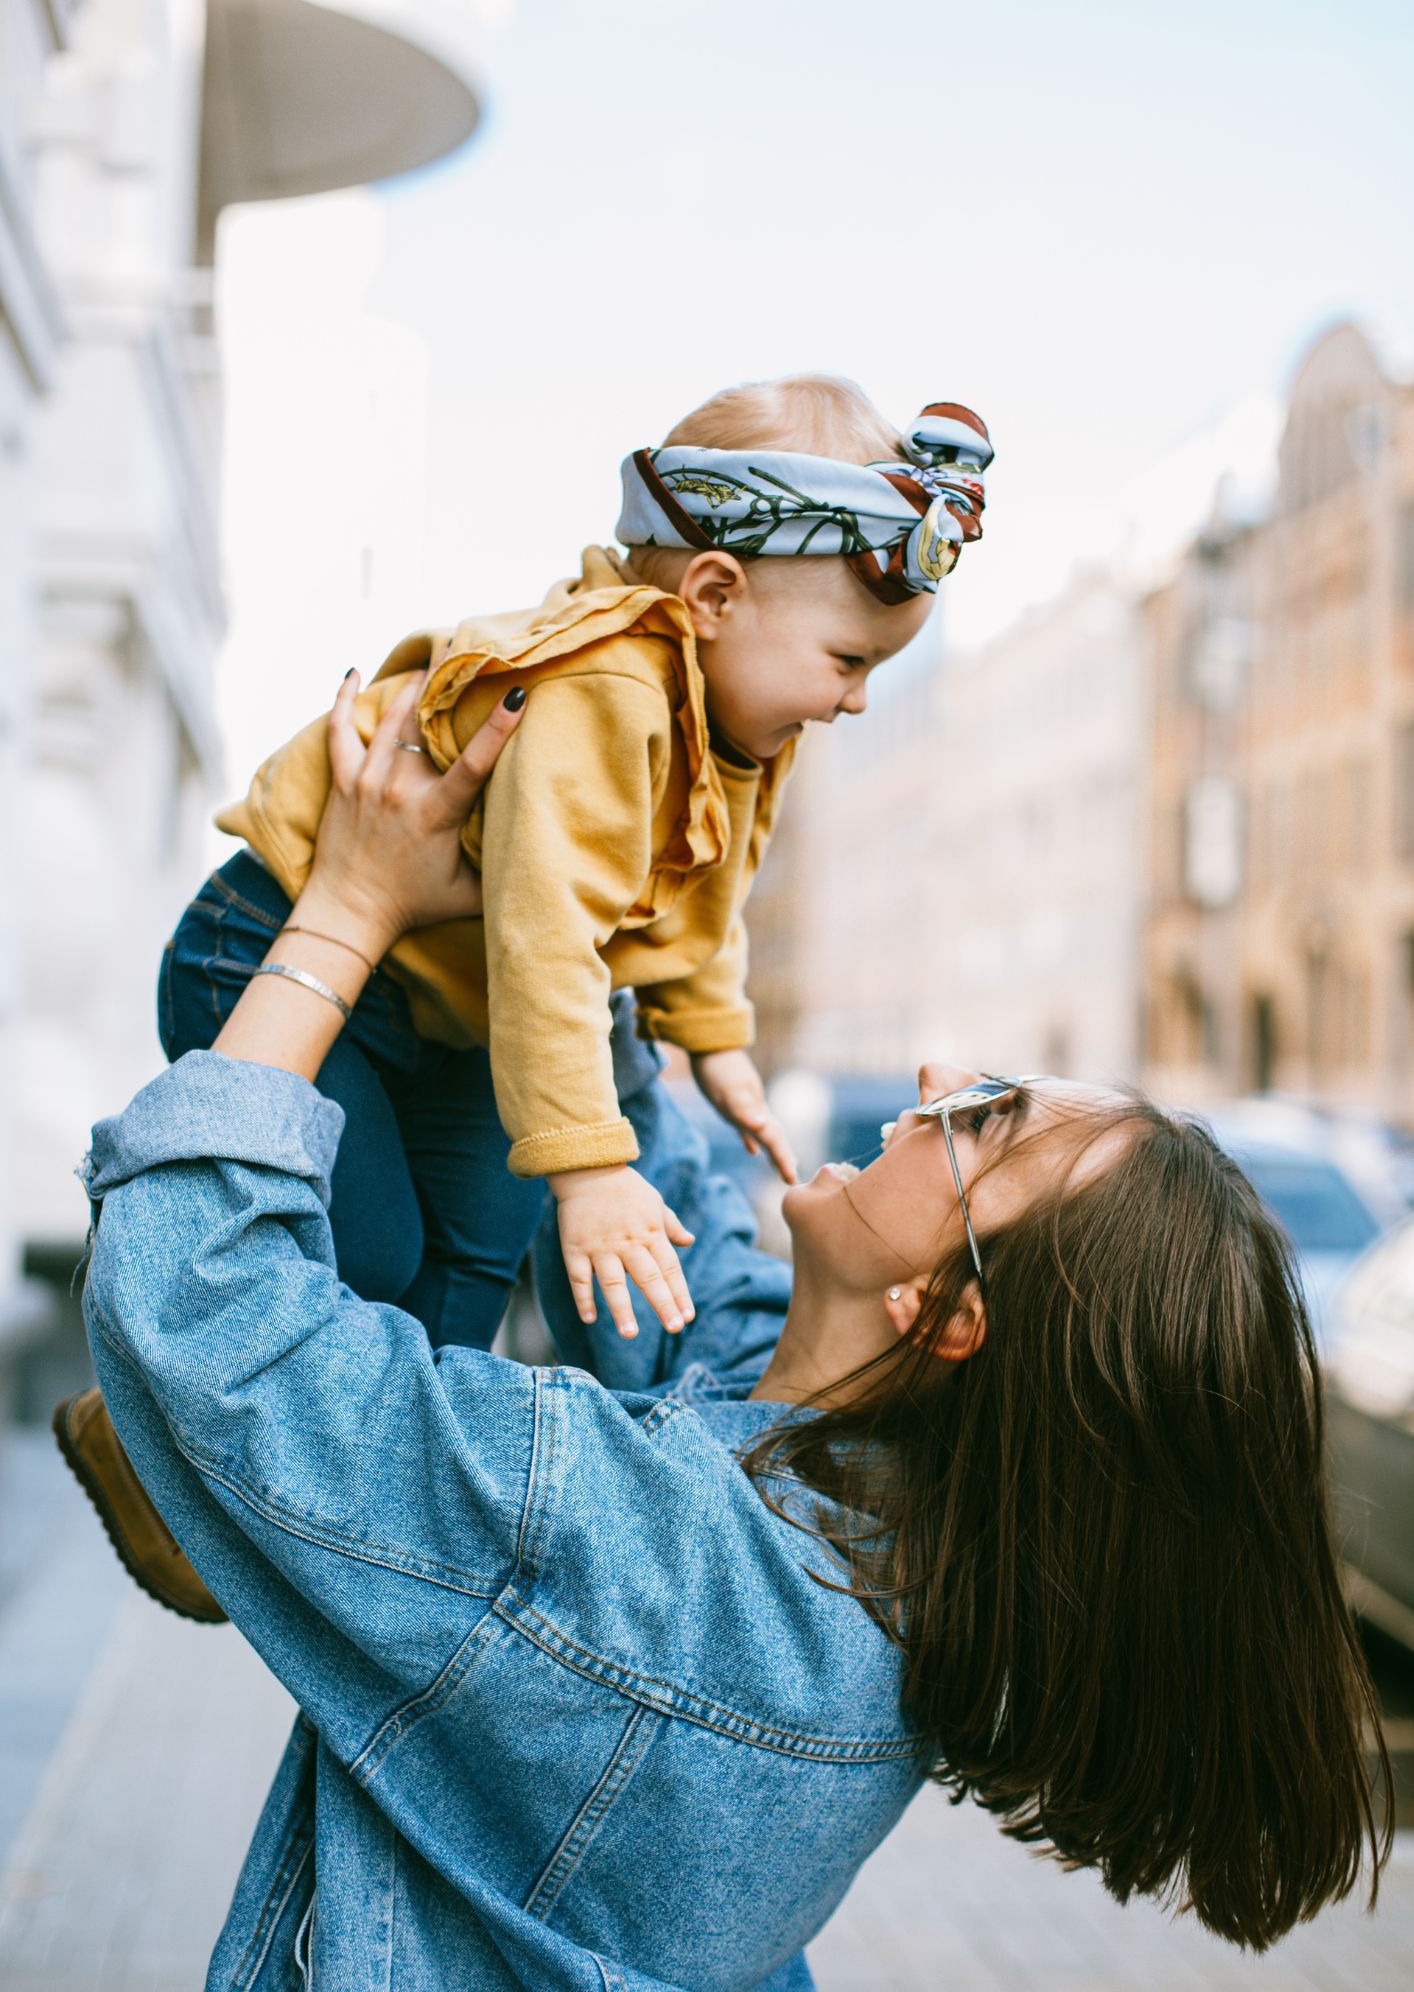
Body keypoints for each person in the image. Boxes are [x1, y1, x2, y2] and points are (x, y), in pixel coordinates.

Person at [68, 678, 1390, 1988]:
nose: (937, 1079)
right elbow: (666, 1203)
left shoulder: (669, 1561)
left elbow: (208, 1314)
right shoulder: (861, 1493)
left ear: (941, 1311)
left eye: (985, 1116)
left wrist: (347, 911)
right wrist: (584, 835)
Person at [59, 371, 992, 1621]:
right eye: (847, 658)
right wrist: (591, 1165)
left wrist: (712, 1040)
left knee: (460, 1294)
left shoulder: (734, 722)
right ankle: (147, 1432)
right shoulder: (603, 685)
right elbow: (552, 934)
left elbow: (699, 893)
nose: (857, 695)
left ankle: (335, 1544)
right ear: (711, 596)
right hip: (284, 941)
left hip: (454, 1021)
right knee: (376, 1249)